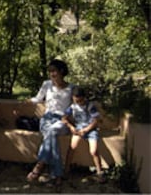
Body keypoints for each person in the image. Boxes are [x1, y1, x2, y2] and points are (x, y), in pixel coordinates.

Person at [26, 59, 73, 188]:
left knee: (51, 133)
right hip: (47, 119)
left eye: (54, 71)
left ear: (61, 71)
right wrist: (27, 101)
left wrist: (67, 116)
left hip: (62, 120)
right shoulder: (46, 84)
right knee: (51, 136)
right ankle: (57, 174)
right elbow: (38, 98)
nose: (51, 74)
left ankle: (40, 165)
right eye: (50, 71)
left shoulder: (71, 88)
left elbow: (74, 107)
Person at [62, 86, 106, 183]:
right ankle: (66, 170)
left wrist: (86, 130)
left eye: (80, 100)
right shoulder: (72, 107)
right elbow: (64, 118)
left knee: (93, 151)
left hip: (90, 130)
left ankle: (100, 172)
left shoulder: (90, 106)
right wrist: (71, 126)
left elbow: (96, 120)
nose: (78, 102)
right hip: (78, 129)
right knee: (72, 148)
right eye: (76, 100)